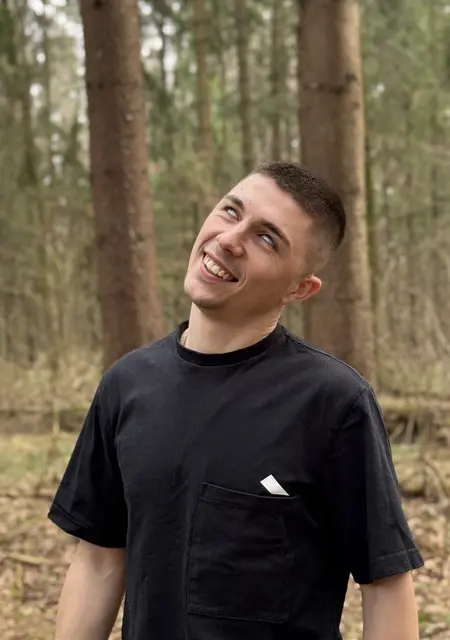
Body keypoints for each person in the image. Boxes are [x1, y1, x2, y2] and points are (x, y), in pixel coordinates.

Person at [48, 161, 423, 640]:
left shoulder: (332, 403)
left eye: (266, 238)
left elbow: (386, 584)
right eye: (230, 211)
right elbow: (100, 559)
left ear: (299, 288)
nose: (229, 239)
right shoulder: (127, 385)